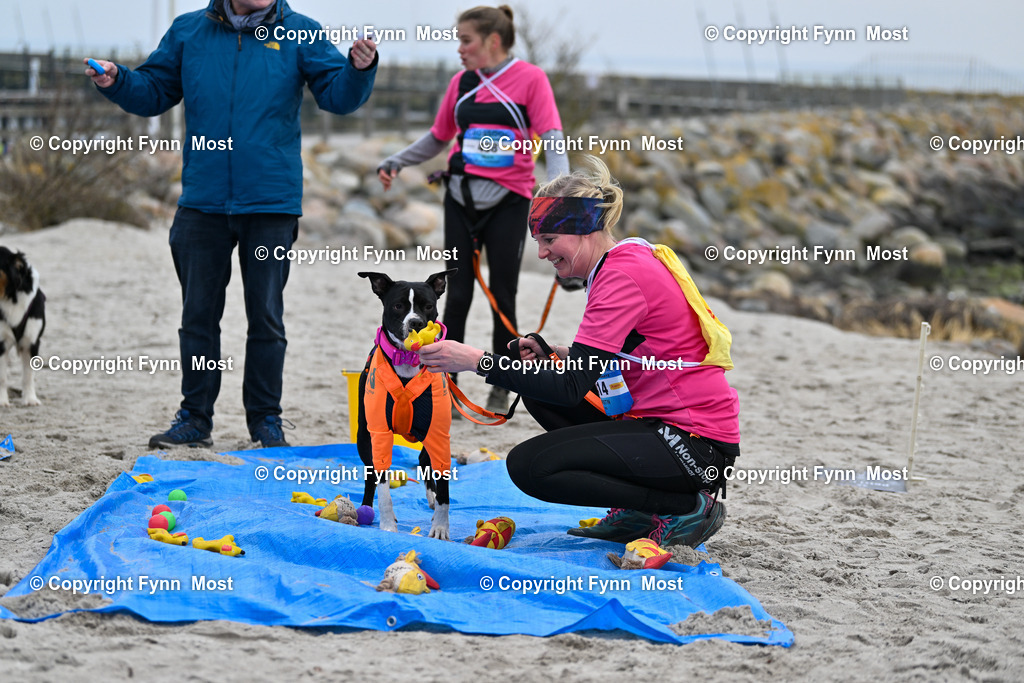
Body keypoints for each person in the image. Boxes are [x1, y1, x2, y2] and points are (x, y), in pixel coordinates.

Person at [86, 0, 378, 448]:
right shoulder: (189, 31)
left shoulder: (301, 31)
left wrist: (360, 69)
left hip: (272, 203)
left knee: (265, 317)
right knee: (198, 317)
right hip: (202, 202)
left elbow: (337, 97)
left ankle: (266, 421)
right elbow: (154, 91)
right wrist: (119, 80)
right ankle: (195, 419)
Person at [418, 157, 741, 548]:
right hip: (664, 425)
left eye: (549, 240)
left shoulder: (621, 275)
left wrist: (476, 362)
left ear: (584, 230)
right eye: (538, 241)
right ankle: (638, 510)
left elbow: (573, 386)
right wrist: (556, 351)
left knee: (528, 467)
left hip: (694, 445)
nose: (541, 253)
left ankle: (681, 506)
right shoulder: (623, 260)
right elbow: (623, 353)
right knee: (537, 383)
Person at [376, 5, 568, 412]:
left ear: (492, 41)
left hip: (508, 202)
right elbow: (437, 137)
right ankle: (445, 380)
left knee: (503, 293)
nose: (459, 48)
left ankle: (504, 382)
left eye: (466, 40)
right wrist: (397, 160)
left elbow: (552, 138)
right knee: (456, 295)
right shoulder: (461, 82)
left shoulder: (532, 79)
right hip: (460, 200)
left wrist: (559, 196)